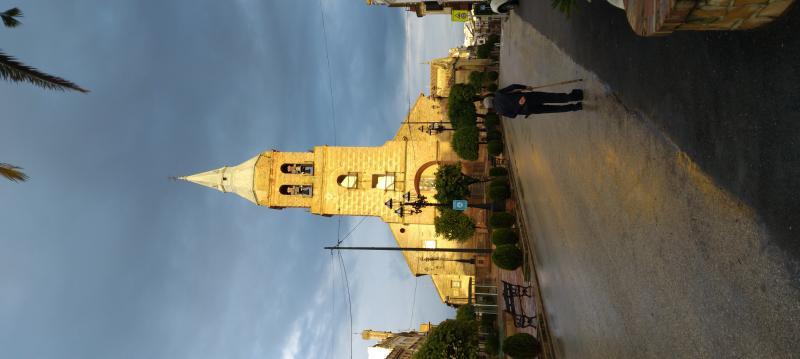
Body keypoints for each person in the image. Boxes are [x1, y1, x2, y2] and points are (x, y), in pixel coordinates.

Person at [483, 84, 583, 117]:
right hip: (528, 98)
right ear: (491, 98)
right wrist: (526, 87)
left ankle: (576, 107)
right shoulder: (498, 94)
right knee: (551, 97)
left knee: (552, 109)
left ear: (491, 107)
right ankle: (575, 97)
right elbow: (513, 86)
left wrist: (519, 106)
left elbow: (513, 115)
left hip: (528, 110)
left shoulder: (500, 112)